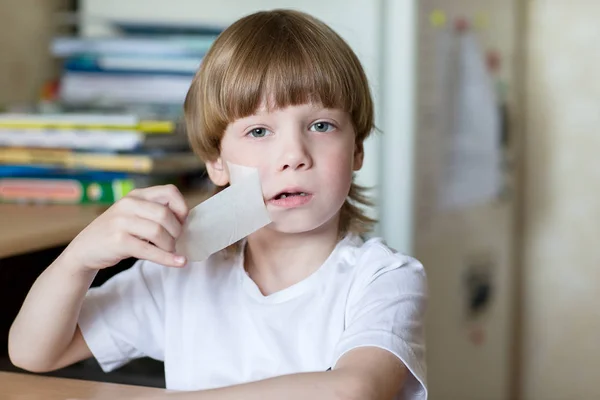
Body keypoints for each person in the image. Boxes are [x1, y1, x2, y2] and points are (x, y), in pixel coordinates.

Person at [9, 9, 427, 400]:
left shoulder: (383, 279)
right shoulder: (181, 277)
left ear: (356, 150)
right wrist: (78, 260)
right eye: (260, 131)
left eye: (321, 125)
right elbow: (33, 353)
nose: (294, 154)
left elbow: (352, 390)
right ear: (217, 163)